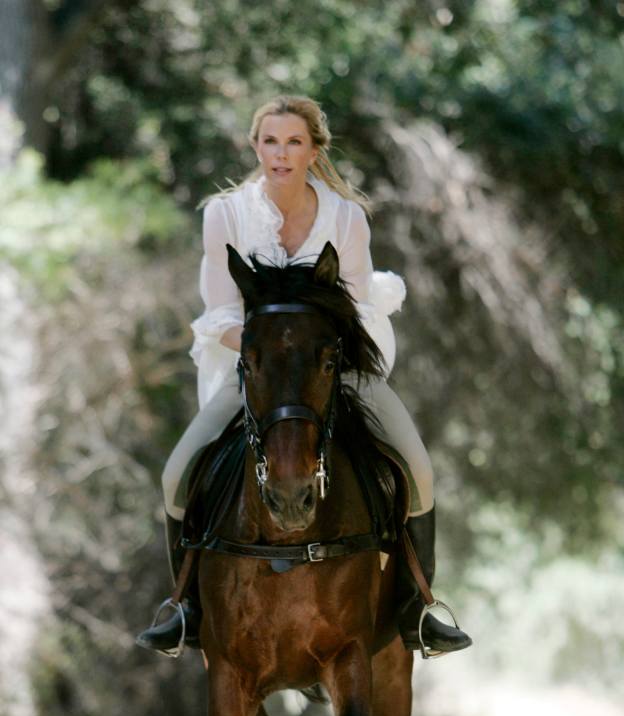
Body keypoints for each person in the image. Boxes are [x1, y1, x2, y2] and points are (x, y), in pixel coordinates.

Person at [136, 94, 472, 657]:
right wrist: (273, 351)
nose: (281, 153)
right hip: (259, 375)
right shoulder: (225, 215)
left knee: (419, 467)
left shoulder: (346, 218)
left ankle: (420, 608)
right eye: (270, 141)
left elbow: (360, 309)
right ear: (255, 146)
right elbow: (219, 313)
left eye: (294, 142)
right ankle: (186, 609)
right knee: (176, 476)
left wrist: (313, 353)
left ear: (315, 149)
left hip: (335, 370)